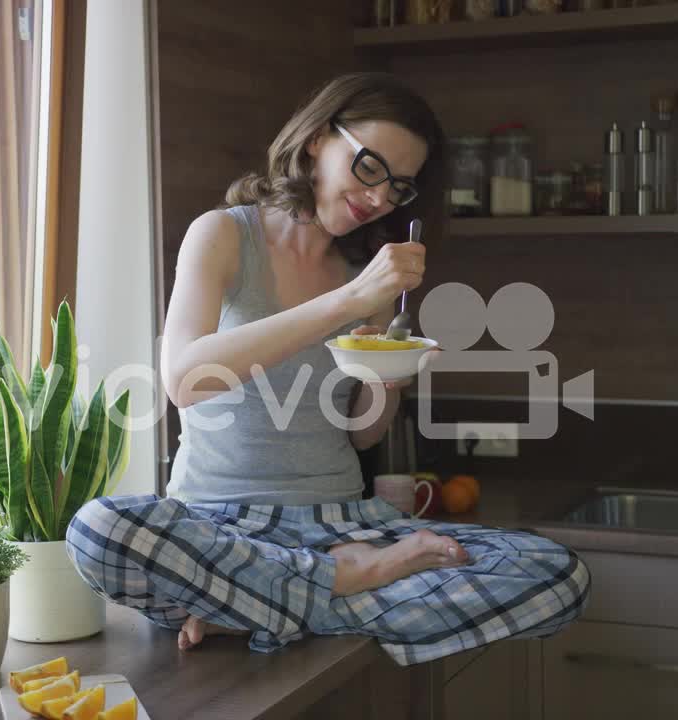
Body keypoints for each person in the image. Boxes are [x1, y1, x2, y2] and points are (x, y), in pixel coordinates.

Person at [67, 73, 589, 666]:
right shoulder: (224, 235)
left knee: (553, 573)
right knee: (97, 530)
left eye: (400, 187)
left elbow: (360, 434)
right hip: (217, 528)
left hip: (342, 519)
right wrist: (344, 304)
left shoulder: (363, 271)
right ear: (317, 138)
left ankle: (253, 606)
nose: (379, 197)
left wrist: (385, 376)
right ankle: (325, 584)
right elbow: (187, 381)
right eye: (370, 167)